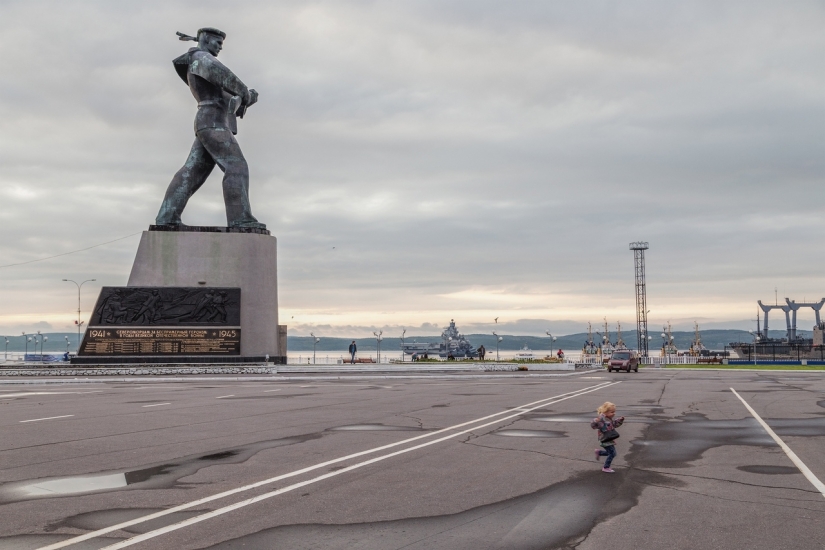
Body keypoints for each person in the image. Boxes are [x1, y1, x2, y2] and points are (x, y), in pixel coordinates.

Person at [156, 27, 264, 229]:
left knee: (192, 172)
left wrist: (244, 99)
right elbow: (226, 76)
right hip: (212, 121)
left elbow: (226, 98)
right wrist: (244, 92)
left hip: (210, 120)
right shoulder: (202, 58)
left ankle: (167, 217)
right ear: (205, 40)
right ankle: (240, 219)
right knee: (236, 166)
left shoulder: (198, 61)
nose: (220, 47)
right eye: (218, 42)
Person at [591, 402, 625, 473]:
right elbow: (593, 425)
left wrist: (620, 420)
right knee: (612, 453)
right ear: (605, 412)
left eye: (614, 412)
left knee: (612, 453)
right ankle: (606, 467)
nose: (614, 413)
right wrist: (595, 421)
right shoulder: (601, 419)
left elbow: (614, 425)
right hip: (604, 439)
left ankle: (599, 452)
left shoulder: (609, 419)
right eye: (612, 412)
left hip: (609, 439)